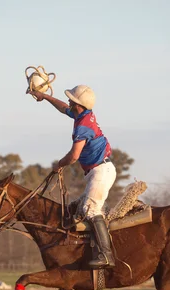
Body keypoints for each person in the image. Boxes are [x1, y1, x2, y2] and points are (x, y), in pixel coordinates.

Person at [27, 84, 117, 268]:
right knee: (82, 209)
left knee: (90, 210)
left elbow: (74, 155)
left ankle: (106, 256)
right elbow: (63, 108)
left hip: (101, 171)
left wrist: (59, 164)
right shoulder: (84, 113)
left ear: (79, 104)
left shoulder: (83, 125)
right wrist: (45, 96)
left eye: (72, 99)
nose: (68, 101)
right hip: (98, 170)